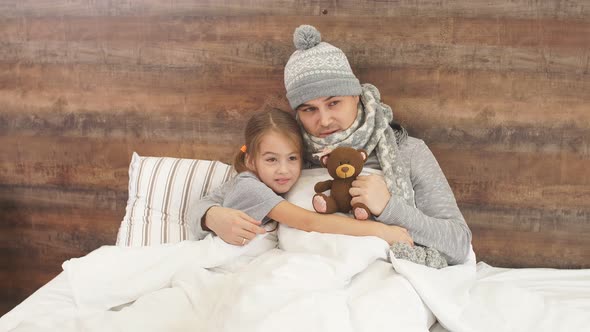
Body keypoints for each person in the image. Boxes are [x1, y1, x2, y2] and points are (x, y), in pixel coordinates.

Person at [193, 25, 472, 265]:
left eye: (333, 103)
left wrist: (389, 207)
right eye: (309, 109)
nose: (324, 120)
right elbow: (213, 201)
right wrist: (211, 217)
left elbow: (459, 244)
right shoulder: (290, 155)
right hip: (304, 271)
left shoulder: (406, 151)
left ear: (356, 95)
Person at [197, 107, 414, 247]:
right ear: (251, 161)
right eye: (271, 160)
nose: (284, 170)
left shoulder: (260, 182)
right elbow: (309, 221)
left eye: (292, 158)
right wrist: (381, 231)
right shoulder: (249, 187)